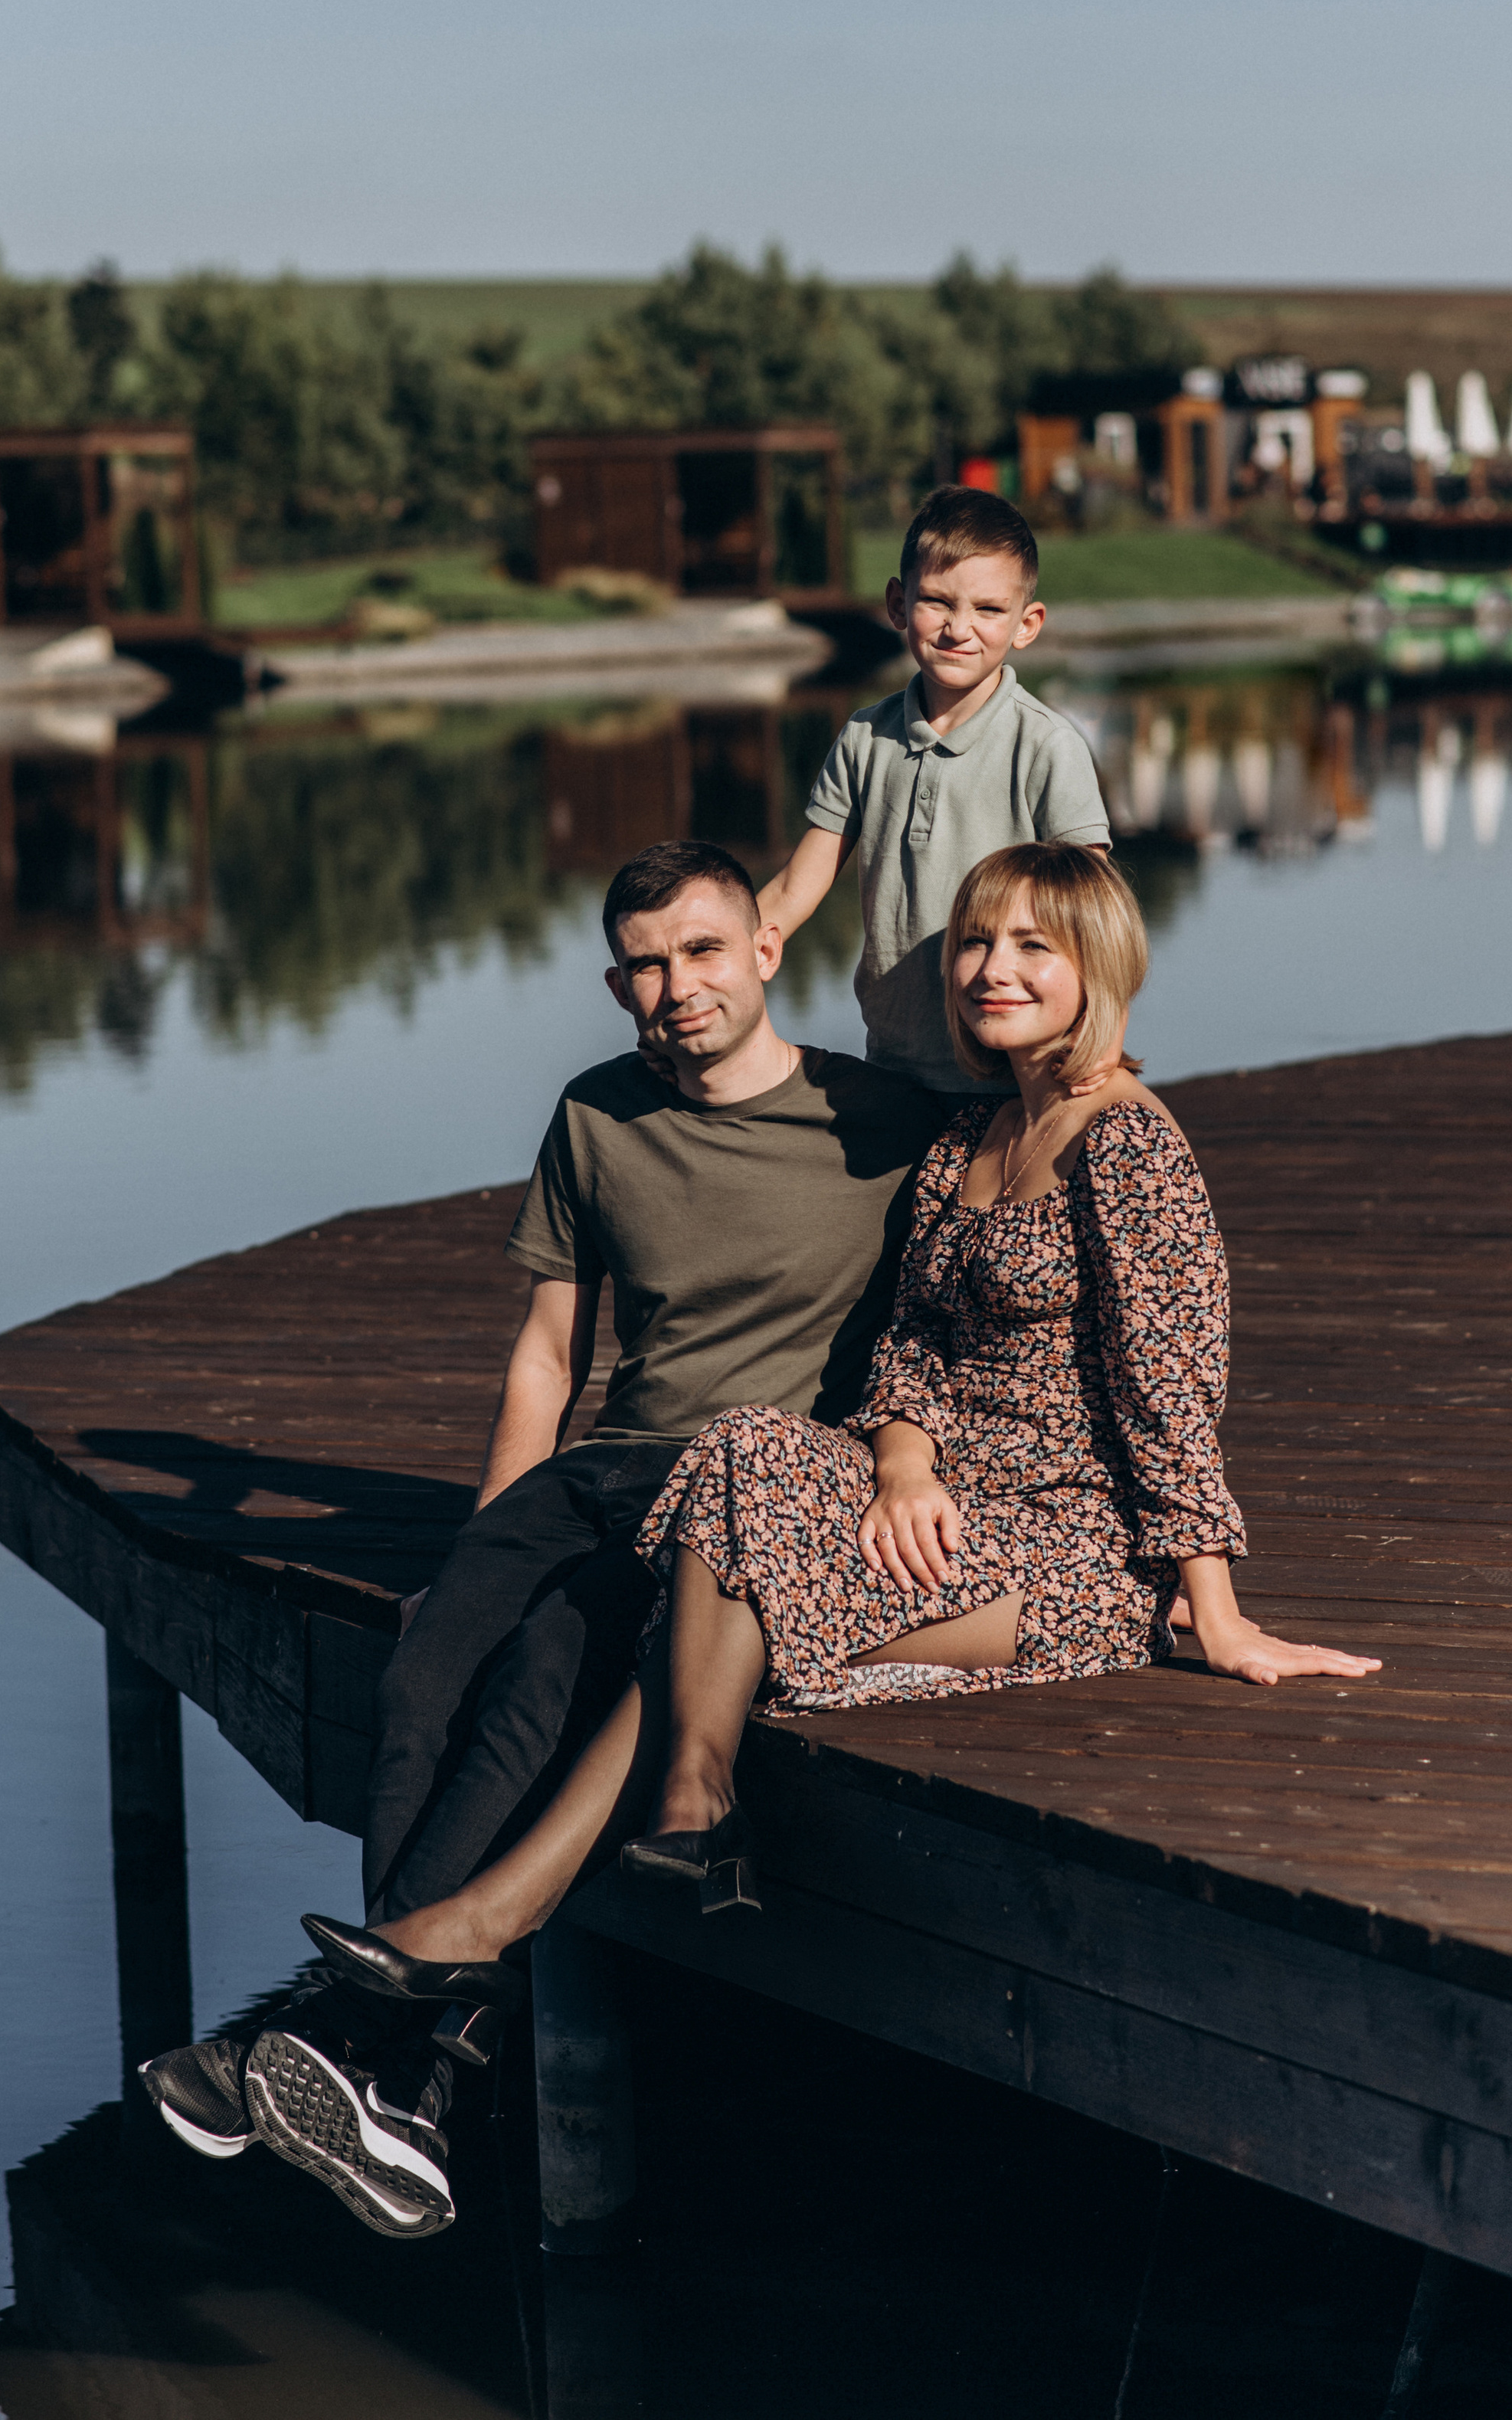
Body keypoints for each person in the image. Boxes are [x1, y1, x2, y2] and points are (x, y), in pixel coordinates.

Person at [286, 843, 1378, 2087]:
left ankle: (495, 1923)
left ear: (1100, 965)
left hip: (1073, 1548)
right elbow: (910, 1343)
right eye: (977, 941)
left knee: (708, 1606)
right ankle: (682, 1813)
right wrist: (903, 1464)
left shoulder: (1128, 1143)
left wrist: (1213, 1607)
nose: (994, 968)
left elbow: (1168, 1387)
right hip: (941, 1509)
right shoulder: (969, 1136)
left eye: (1034, 946)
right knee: (743, 1444)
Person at [139, 837, 946, 2234]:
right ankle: (396, 2082)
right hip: (596, 1472)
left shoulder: (879, 1118)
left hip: (732, 1493)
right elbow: (547, 1353)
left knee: (536, 1688)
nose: (676, 987)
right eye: (645, 966)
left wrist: (902, 1467)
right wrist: (482, 1546)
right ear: (618, 985)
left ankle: (377, 2060)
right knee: (422, 1679)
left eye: (702, 950)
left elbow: (954, 1317)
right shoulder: (596, 1113)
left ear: (767, 946)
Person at [757, 486, 1111, 1095]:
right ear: (899, 604)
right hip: (893, 1063)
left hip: (1015, 1074)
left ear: (1027, 624)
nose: (958, 628)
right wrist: (719, 967)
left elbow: (1097, 917)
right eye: (937, 602)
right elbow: (793, 889)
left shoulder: (1047, 746)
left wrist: (1099, 1044)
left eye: (989, 609)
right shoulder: (865, 737)